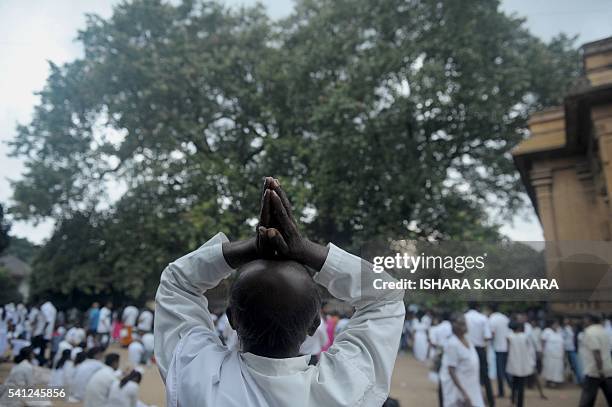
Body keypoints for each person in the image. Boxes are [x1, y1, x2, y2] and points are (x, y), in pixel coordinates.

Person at [154, 177, 405, 406]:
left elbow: (177, 282)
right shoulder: (346, 391)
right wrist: (304, 248)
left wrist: (250, 248)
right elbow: (386, 295)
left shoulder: (195, 379)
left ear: (232, 318)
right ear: (315, 323)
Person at [440, 313, 484, 407]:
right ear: (455, 326)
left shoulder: (468, 340)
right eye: (462, 323)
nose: (465, 326)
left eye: (465, 323)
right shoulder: (453, 344)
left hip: (472, 388)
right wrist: (464, 394)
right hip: (461, 393)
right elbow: (451, 371)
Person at [578, 313, 612, 406]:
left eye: (585, 319)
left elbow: (596, 353)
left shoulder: (589, 332)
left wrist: (600, 371)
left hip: (595, 372)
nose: (583, 321)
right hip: (608, 370)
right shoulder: (604, 331)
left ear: (590, 320)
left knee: (586, 401)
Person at [464, 302, 494, 406]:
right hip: (480, 349)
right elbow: (487, 336)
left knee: (466, 375)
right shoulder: (483, 318)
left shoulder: (464, 317)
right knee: (485, 376)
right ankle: (491, 401)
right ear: (478, 307)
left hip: (467, 349)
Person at [506, 321, 535, 407]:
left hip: (513, 365)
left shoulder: (509, 337)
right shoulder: (525, 337)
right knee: (521, 387)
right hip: (523, 365)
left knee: (514, 383)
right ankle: (520, 404)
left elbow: (508, 349)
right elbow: (530, 350)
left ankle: (512, 400)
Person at [488, 305, 511, 398]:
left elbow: (492, 333)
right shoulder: (505, 318)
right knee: (506, 370)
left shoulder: (492, 319)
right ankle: (513, 387)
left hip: (498, 348)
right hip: (506, 347)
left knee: (500, 372)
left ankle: (502, 392)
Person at [541, 319, 564, 386]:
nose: (556, 325)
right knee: (549, 367)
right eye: (555, 324)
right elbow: (543, 341)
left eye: (557, 324)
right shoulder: (547, 331)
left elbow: (562, 343)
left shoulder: (560, 331)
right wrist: (542, 351)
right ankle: (549, 381)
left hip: (558, 354)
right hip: (549, 354)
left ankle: (556, 381)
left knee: (557, 368)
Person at [563, 317, 582, 383]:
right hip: (565, 349)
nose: (566, 321)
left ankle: (579, 379)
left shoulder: (574, 329)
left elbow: (575, 339)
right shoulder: (564, 329)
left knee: (575, 365)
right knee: (567, 365)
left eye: (567, 320)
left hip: (572, 349)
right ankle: (570, 378)